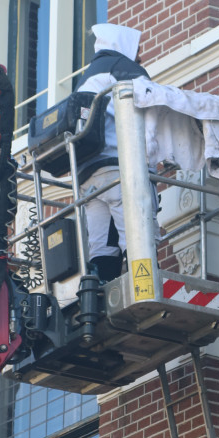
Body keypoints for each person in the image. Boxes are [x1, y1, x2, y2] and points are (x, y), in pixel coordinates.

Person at [74, 23, 150, 282]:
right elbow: (150, 105)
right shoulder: (123, 67)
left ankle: (99, 296)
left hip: (88, 177)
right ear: (123, 46)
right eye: (137, 49)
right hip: (118, 169)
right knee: (137, 234)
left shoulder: (86, 78)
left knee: (101, 243)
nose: (140, 57)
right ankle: (145, 286)